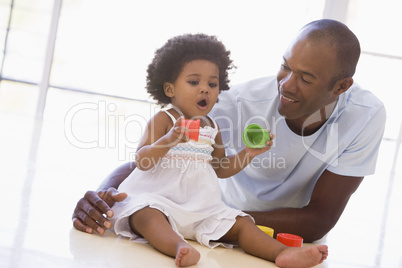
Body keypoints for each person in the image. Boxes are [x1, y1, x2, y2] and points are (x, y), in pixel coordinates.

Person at [72, 19, 386, 244]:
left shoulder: (364, 117)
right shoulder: (236, 104)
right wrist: (105, 195)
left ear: (341, 87)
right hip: (212, 219)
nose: (286, 85)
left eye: (305, 78)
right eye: (285, 66)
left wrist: (213, 220)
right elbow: (156, 157)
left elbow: (318, 220)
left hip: (263, 231)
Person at [106, 33, 328, 267]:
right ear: (170, 89)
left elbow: (220, 168)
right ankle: (179, 246)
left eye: (212, 84)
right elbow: (142, 160)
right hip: (159, 200)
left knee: (242, 223)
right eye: (194, 82)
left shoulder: (211, 127)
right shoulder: (165, 120)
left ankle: (282, 252)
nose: (205, 90)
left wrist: (247, 154)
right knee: (146, 215)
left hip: (200, 207)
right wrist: (169, 139)